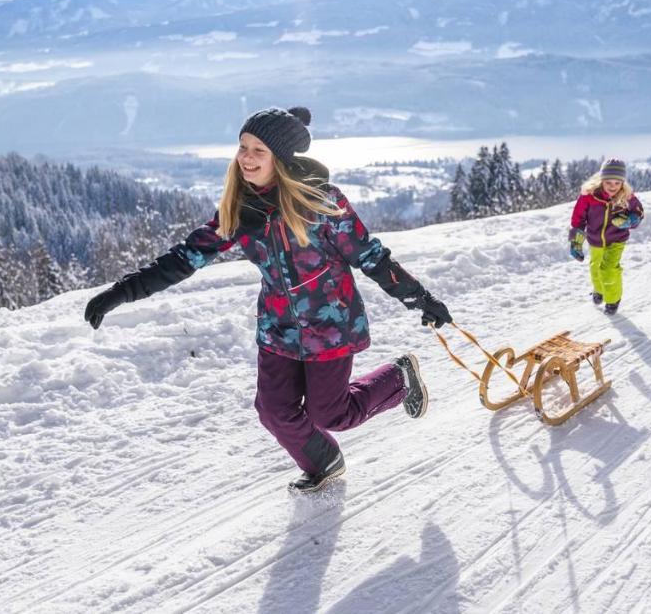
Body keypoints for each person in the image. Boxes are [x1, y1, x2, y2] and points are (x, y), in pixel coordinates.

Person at [83, 106, 452, 493]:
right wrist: (120, 292)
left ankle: (399, 378)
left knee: (332, 413)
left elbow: (370, 256)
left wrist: (418, 298)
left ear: (280, 157)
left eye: (259, 149)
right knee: (274, 411)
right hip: (279, 329)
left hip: (332, 326)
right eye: (243, 146)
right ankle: (322, 461)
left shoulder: (322, 203)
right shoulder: (239, 211)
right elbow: (183, 258)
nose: (246, 157)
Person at [569, 158, 644, 315]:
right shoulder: (589, 196)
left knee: (608, 268)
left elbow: (638, 213)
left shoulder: (627, 196)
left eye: (617, 183)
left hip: (617, 239)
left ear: (622, 183)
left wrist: (630, 220)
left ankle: (612, 299)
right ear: (601, 180)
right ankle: (599, 291)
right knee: (595, 268)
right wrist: (576, 242)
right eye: (608, 182)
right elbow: (578, 218)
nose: (613, 187)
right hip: (595, 239)